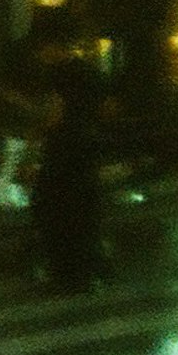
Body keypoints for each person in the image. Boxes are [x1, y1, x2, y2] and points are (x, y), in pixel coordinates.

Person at [27, 36, 111, 292]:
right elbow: (106, 107)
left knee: (56, 212)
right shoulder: (88, 71)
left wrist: (36, 133)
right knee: (83, 213)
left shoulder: (58, 76)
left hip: (63, 152)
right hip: (85, 149)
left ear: (53, 46)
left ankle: (65, 274)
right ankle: (86, 272)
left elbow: (54, 114)